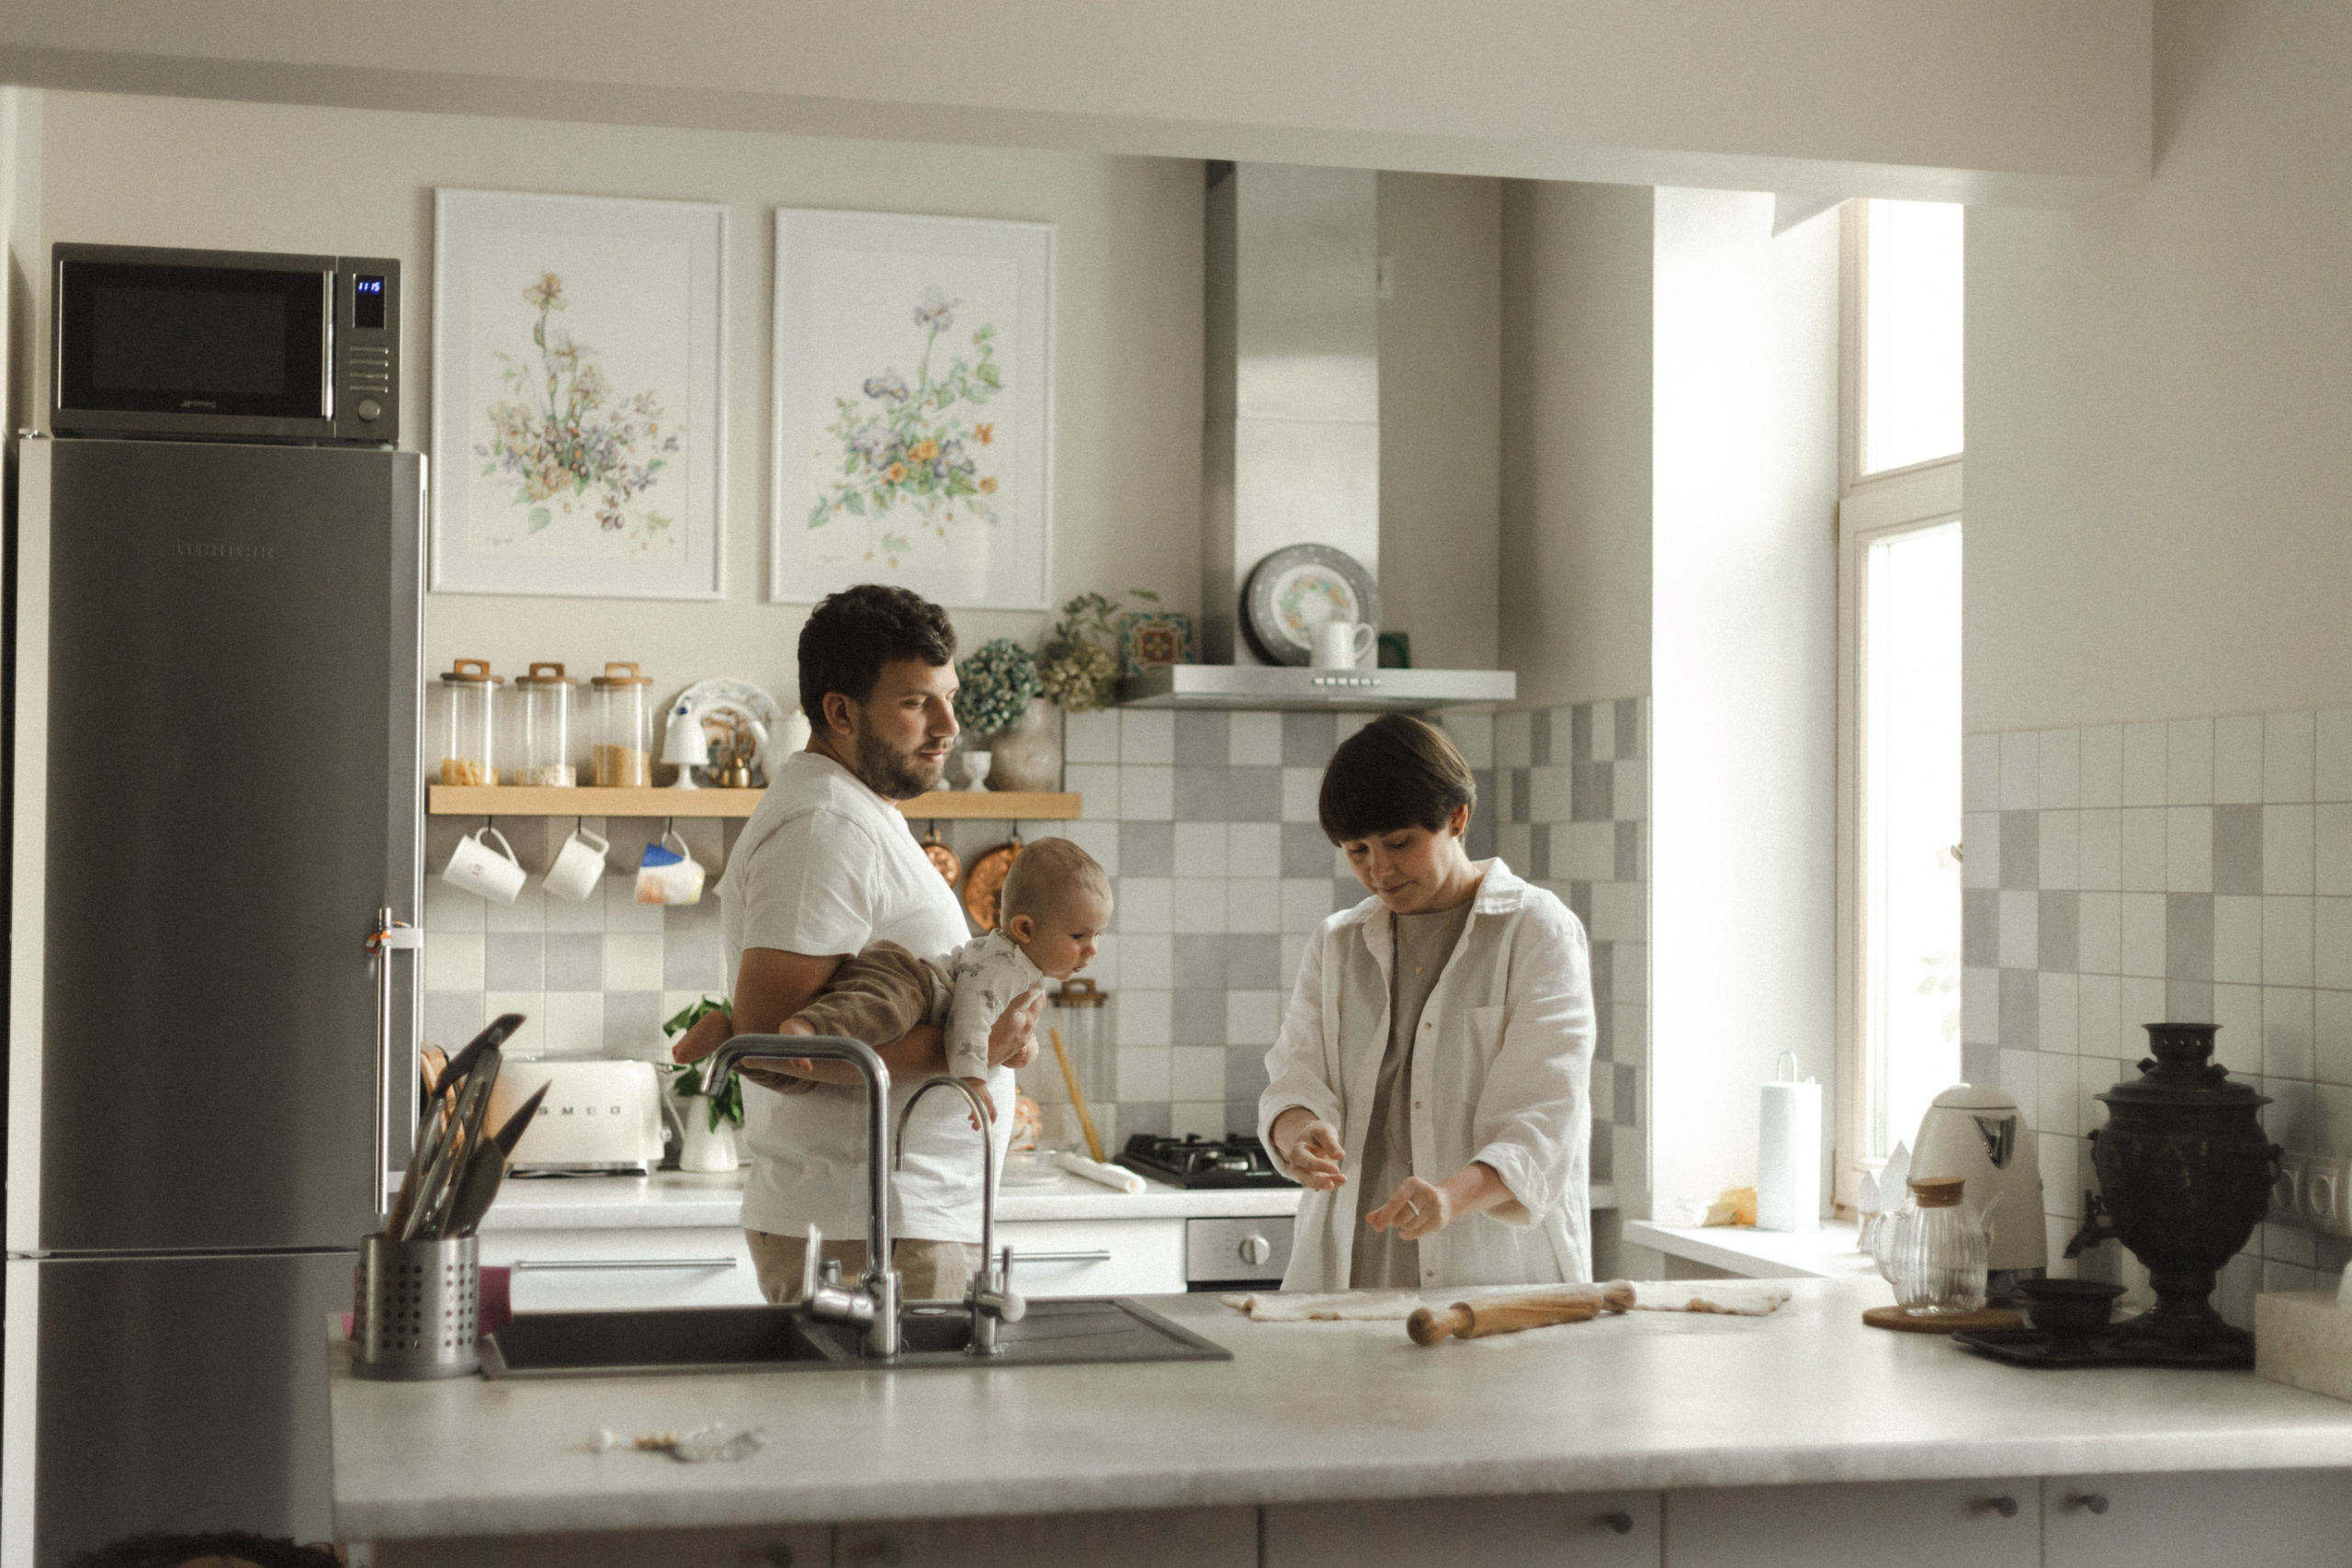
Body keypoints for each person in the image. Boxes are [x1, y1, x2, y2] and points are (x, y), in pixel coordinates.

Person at [672, 584, 1042, 1305]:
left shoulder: (858, 812)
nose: (948, 726)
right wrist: (974, 1049)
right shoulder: (823, 826)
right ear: (840, 712)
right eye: (915, 703)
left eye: (949, 697)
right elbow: (771, 1039)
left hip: (890, 1221)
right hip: (870, 1226)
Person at [1259, 714, 1596, 1292]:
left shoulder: (1536, 929)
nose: (1379, 871)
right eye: (1357, 850)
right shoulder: (1338, 942)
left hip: (1489, 1265)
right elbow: (1295, 1076)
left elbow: (1546, 1113)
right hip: (1353, 1260)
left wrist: (1449, 1196)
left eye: (1399, 843)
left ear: (1457, 818)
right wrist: (1299, 1132)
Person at [764, 837, 1114, 1121]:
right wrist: (973, 1081)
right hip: (910, 982)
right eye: (1079, 936)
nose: (1092, 949)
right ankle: (811, 1027)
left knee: (797, 1073)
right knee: (884, 1012)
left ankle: (736, 1041)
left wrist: (1025, 1046)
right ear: (1024, 929)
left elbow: (1000, 1022)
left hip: (914, 986)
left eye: (1097, 935)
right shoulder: (1004, 969)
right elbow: (971, 1018)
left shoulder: (1026, 969)